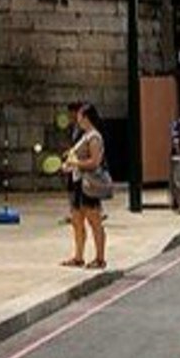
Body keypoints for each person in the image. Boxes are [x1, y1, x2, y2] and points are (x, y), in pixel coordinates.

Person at [61, 102, 109, 269]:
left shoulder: (94, 137)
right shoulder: (85, 135)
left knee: (94, 221)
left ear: (86, 117)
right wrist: (70, 161)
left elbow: (95, 162)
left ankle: (100, 258)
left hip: (89, 184)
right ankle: (78, 256)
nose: (78, 118)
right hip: (77, 182)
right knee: (77, 220)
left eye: (80, 115)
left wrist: (75, 163)